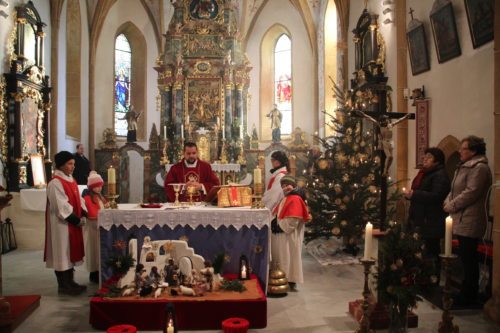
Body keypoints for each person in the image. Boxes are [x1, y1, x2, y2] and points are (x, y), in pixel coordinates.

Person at [444, 136, 492, 306]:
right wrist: (448, 201)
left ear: (473, 151)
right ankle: (465, 291)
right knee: (465, 258)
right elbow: (454, 189)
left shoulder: (479, 168)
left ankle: (469, 295)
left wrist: (452, 205)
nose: (459, 151)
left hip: (471, 219)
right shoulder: (464, 166)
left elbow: (472, 192)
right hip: (461, 217)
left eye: (463, 148)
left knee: (469, 259)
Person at [44, 151, 88, 295]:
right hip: (61, 225)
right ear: (61, 165)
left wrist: (84, 211)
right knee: (62, 253)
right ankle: (63, 285)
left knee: (69, 253)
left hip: (71, 223)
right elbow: (60, 206)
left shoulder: (70, 179)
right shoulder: (56, 182)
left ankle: (71, 282)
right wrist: (76, 220)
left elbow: (78, 199)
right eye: (70, 164)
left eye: (73, 164)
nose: (73, 167)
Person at [405, 147, 450, 281]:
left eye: (429, 157)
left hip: (431, 220)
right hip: (421, 218)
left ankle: (432, 280)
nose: (424, 158)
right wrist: (410, 195)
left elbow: (437, 196)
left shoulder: (440, 175)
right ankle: (421, 278)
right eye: (424, 156)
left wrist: (414, 194)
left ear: (437, 161)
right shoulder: (425, 173)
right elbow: (419, 192)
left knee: (431, 251)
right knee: (421, 251)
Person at [273, 175, 311, 291]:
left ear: (293, 186)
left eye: (287, 185)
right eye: (283, 186)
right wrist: (274, 221)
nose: (285, 188)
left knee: (289, 257)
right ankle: (284, 277)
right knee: (285, 257)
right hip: (285, 234)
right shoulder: (288, 197)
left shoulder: (295, 199)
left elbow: (293, 220)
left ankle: (290, 279)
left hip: (289, 235)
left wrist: (280, 226)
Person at [262, 151, 289, 274]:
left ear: (277, 162)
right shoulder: (279, 174)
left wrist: (263, 207)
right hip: (275, 209)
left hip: (276, 212)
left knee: (277, 245)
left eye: (272, 161)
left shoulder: (280, 176)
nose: (271, 163)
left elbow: (273, 197)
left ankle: (278, 269)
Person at [83, 171, 109, 283]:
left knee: (98, 250)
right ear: (91, 187)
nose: (99, 188)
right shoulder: (88, 198)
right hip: (93, 228)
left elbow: (104, 208)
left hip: (100, 227)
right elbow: (92, 214)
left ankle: (99, 271)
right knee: (93, 250)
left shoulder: (100, 197)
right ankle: (94, 273)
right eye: (96, 186)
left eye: (100, 186)